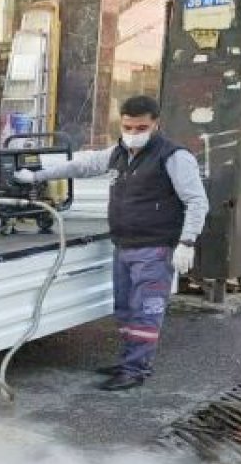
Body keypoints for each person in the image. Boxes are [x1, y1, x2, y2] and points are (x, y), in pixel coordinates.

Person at [14, 95, 208, 391]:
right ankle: (130, 359)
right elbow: (81, 166)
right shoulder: (118, 153)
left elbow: (196, 201)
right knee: (126, 310)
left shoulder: (174, 157)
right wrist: (37, 176)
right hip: (124, 246)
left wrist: (187, 242)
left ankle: (135, 370)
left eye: (141, 127)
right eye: (128, 127)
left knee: (146, 312)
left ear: (156, 123)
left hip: (155, 248)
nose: (133, 133)